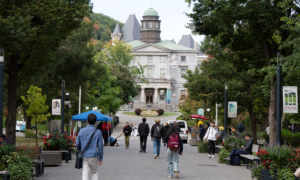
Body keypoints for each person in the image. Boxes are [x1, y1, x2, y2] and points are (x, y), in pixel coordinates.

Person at [76, 113, 103, 180]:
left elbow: (77, 143)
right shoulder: (98, 132)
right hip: (94, 155)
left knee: (85, 173)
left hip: (84, 155)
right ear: (95, 122)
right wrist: (101, 158)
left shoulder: (82, 131)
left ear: (87, 121)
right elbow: (100, 146)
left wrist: (80, 150)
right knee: (94, 173)